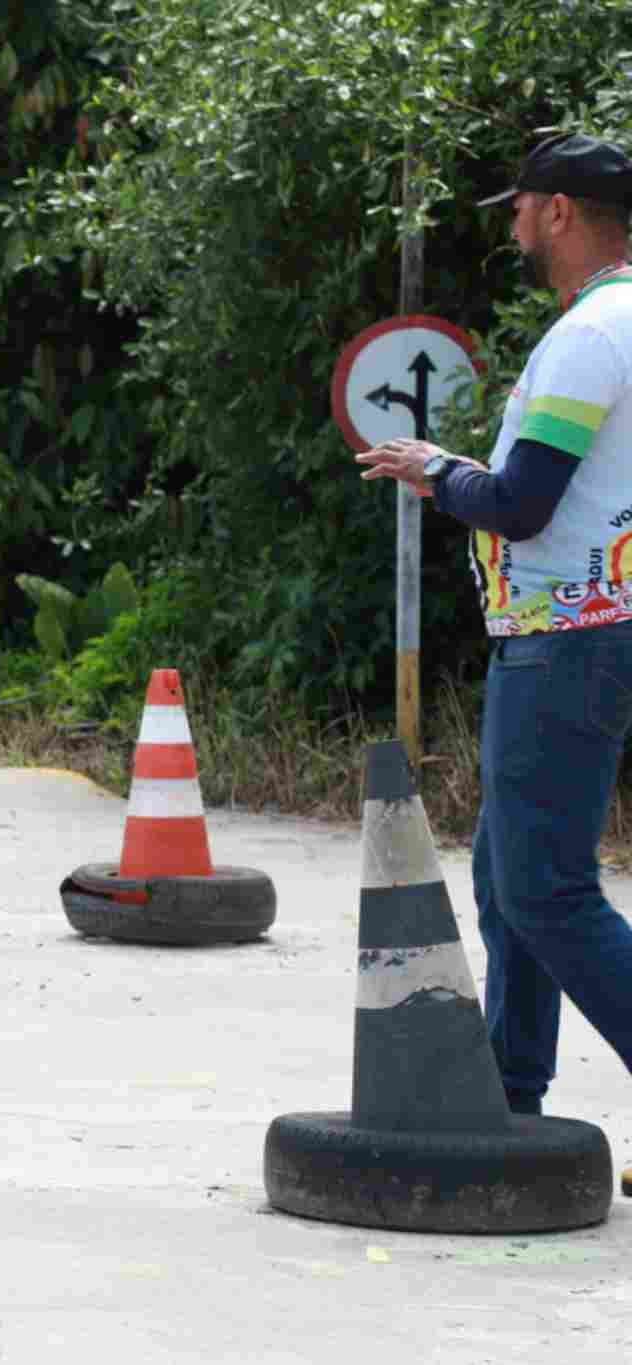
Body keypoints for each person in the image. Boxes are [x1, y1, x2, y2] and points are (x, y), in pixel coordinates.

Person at [355, 134, 632, 1155]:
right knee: (504, 875)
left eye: (516, 206)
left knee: (541, 889)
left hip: (567, 635)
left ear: (556, 211)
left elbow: (518, 506)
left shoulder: (591, 337)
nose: (509, 223)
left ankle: (512, 1091)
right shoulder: (610, 324)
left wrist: (436, 470)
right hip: (574, 631)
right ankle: (510, 1097)